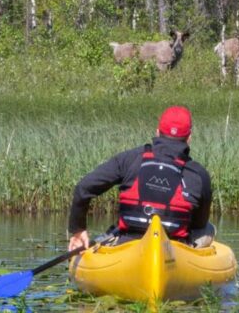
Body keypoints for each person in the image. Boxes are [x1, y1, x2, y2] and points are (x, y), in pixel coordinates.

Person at [68, 105, 215, 251]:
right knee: (208, 229)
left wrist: (78, 230)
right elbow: (199, 223)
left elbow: (84, 188)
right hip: (175, 248)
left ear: (157, 133)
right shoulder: (199, 174)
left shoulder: (130, 159)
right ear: (189, 138)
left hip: (127, 240)